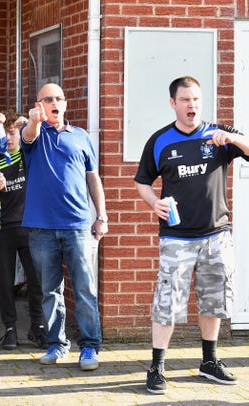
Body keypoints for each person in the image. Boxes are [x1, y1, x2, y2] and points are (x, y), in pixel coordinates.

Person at [134, 76, 249, 394]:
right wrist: (153, 201)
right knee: (167, 302)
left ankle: (209, 362)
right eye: (185, 100)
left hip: (216, 234)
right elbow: (142, 180)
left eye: (196, 99)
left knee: (213, 302)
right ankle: (157, 367)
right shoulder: (160, 141)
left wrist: (233, 140)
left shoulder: (218, 135)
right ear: (173, 103)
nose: (192, 105)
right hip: (177, 237)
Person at [21, 83, 107, 371]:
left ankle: (90, 347)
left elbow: (92, 178)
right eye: (48, 99)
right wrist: (34, 120)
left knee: (85, 289)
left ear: (65, 103)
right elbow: (28, 135)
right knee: (50, 290)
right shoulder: (33, 134)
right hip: (41, 227)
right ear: (39, 104)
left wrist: (102, 215)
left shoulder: (81, 136)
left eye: (58, 98)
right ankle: (57, 344)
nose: (54, 102)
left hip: (79, 225)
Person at [0, 110, 46, 350]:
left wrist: (29, 123)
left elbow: (39, 136)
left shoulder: (28, 155)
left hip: (30, 228)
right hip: (1, 229)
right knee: (4, 284)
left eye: (13, 133)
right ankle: (10, 330)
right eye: (4, 134)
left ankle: (37, 328)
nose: (9, 139)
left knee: (36, 281)